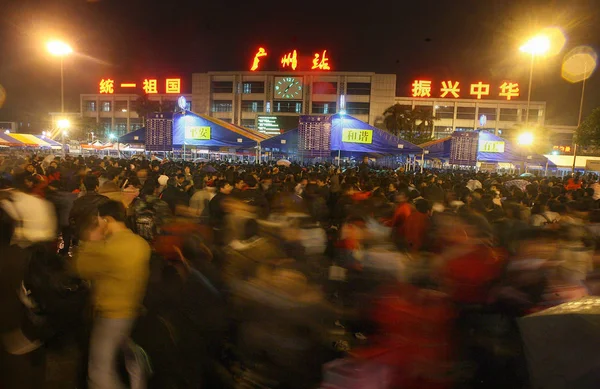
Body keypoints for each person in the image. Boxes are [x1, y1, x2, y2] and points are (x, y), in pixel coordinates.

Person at [73, 200, 151, 389]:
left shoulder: (110, 248)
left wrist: (91, 239)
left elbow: (81, 268)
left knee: (99, 374)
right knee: (129, 359)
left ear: (105, 220)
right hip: (133, 310)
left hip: (111, 314)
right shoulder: (140, 243)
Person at [69, 174, 109, 242]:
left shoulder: (78, 201)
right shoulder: (105, 200)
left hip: (83, 238)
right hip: (101, 237)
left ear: (85, 186)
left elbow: (72, 219)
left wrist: (78, 233)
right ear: (97, 186)